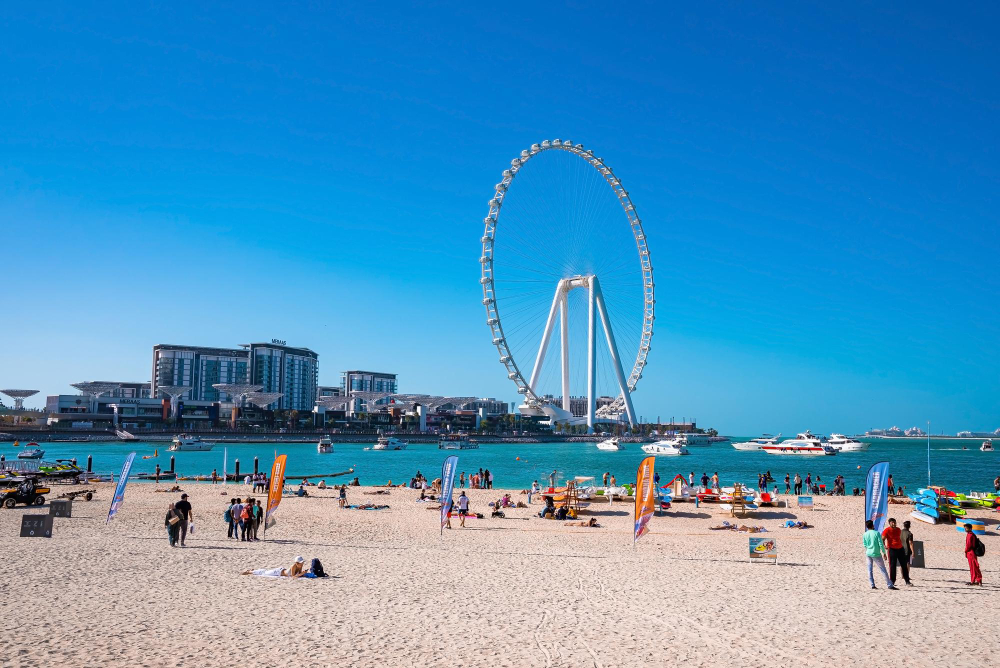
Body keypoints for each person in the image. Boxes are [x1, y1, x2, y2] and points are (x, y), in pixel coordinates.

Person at [863, 520, 896, 590]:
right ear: (872, 525)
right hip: (876, 553)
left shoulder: (865, 534)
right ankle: (889, 584)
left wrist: (868, 549)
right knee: (883, 569)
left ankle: (872, 585)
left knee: (869, 569)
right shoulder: (877, 533)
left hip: (868, 553)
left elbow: (865, 544)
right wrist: (884, 553)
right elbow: (881, 544)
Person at [881, 518, 912, 586]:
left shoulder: (898, 529)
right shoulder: (887, 530)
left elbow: (900, 538)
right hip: (892, 549)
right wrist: (884, 546)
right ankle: (892, 581)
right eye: (892, 522)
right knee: (893, 566)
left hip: (900, 549)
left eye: (895, 522)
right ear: (889, 523)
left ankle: (907, 581)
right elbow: (882, 539)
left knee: (904, 565)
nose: (894, 524)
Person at [241, 556, 309, 578]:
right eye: (301, 563)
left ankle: (254, 570)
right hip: (278, 572)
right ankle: (250, 571)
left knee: (265, 571)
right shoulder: (293, 566)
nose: (302, 564)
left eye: (302, 562)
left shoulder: (300, 566)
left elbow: (299, 574)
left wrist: (303, 573)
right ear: (297, 563)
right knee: (265, 573)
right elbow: (293, 577)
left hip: (281, 571)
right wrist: (302, 574)